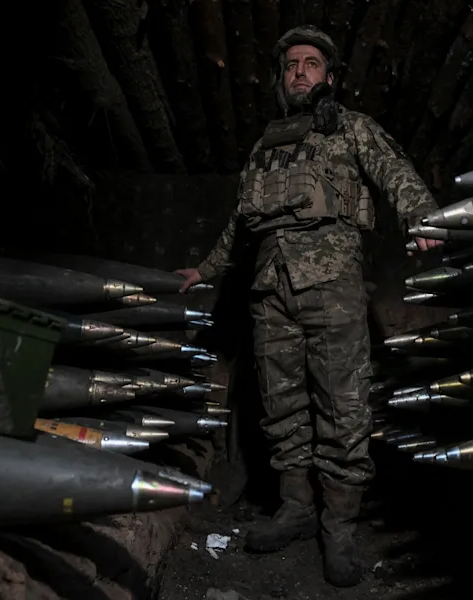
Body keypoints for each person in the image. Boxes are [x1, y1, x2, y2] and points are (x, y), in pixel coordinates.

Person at [175, 25, 441, 587]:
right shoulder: (266, 146)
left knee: (342, 410)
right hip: (271, 292)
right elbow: (241, 224)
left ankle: (338, 528)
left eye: (311, 63)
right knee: (281, 407)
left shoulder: (350, 128)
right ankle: (296, 510)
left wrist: (423, 218)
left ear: (329, 76)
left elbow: (396, 172)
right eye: (292, 63)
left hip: (333, 286)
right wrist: (208, 268)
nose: (300, 70)